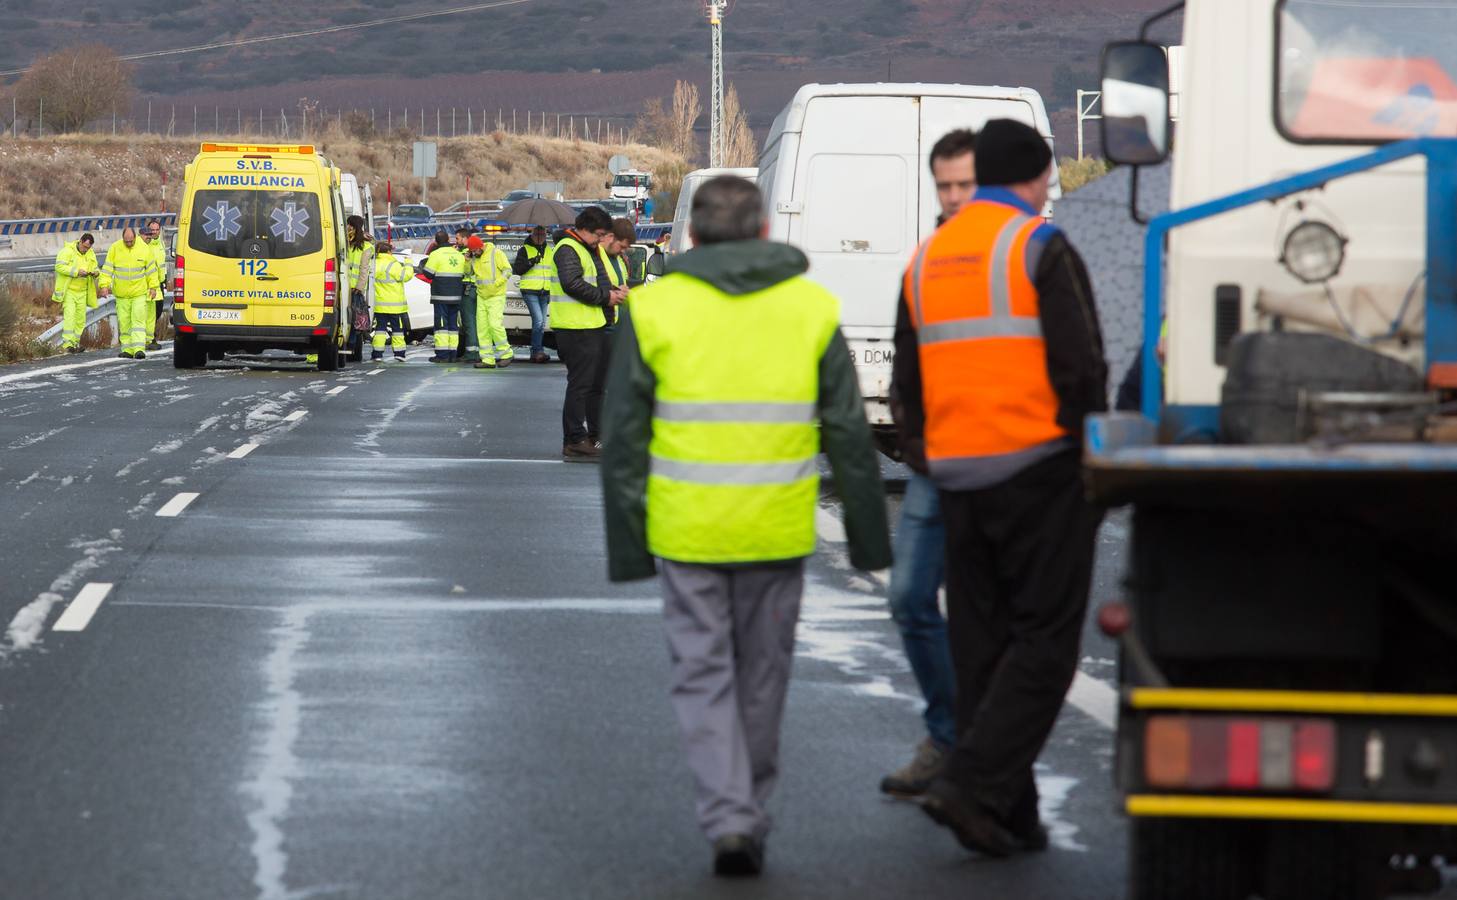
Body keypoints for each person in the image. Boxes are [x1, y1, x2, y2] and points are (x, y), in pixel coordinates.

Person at [600, 175, 892, 877]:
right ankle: (750, 810)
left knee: (701, 677)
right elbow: (849, 430)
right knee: (763, 677)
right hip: (775, 529)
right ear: (765, 231)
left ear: (691, 237)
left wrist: (628, 545)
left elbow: (622, 435)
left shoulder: (654, 307)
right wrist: (867, 538)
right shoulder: (810, 308)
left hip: (685, 531)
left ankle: (728, 816)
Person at [891, 119, 1107, 857]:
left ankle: (1010, 814)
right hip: (1037, 469)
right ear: (1037, 176)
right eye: (1047, 179)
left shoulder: (925, 259)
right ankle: (971, 784)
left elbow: (904, 385)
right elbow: (1081, 365)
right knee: (1045, 642)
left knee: (981, 647)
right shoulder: (1037, 245)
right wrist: (1088, 457)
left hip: (956, 479)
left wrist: (934, 456)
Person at [881, 127, 977, 798]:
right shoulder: (925, 259)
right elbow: (905, 359)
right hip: (933, 459)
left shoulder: (1029, 250)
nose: (949, 197)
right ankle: (949, 734)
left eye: (962, 184)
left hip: (1006, 458)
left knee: (987, 611)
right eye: (941, 185)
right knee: (911, 597)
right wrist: (912, 436)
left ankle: (977, 752)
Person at [550, 206, 625, 461]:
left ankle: (594, 436)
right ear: (585, 229)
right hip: (575, 327)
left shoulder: (586, 248)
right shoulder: (568, 248)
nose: (602, 240)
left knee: (595, 385)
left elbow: (595, 281)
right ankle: (574, 439)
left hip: (591, 325)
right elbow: (572, 284)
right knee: (581, 386)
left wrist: (613, 292)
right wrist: (607, 297)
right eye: (600, 234)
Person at [98, 227, 160, 359]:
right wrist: (104, 285)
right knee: (124, 322)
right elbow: (108, 269)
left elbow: (151, 270)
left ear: (135, 238)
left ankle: (139, 349)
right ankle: (127, 349)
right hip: (121, 294)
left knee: (138, 321)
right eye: (126, 241)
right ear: (123, 239)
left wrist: (153, 287)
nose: (129, 244)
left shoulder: (144, 248)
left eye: (131, 241)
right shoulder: (115, 248)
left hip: (139, 293)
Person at [417, 229, 469, 363]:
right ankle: (453, 354)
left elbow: (428, 273)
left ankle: (442, 355)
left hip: (441, 295)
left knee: (441, 327)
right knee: (453, 326)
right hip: (456, 295)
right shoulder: (458, 254)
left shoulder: (436, 254)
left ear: (436, 241)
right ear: (448, 240)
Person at [466, 234, 514, 369]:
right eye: (472, 251)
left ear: (480, 246)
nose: (474, 253)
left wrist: (497, 283)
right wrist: (467, 261)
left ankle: (506, 354)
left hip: (496, 295)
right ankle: (487, 359)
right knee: (482, 329)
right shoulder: (474, 257)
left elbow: (508, 270)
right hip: (482, 296)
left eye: (475, 250)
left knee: (494, 325)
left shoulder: (496, 253)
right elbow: (468, 273)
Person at [512, 224, 555, 364]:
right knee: (539, 321)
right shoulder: (525, 250)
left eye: (543, 235)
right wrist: (531, 262)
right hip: (530, 291)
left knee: (541, 324)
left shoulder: (549, 251)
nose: (540, 237)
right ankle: (537, 351)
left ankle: (537, 350)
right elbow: (517, 269)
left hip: (545, 291)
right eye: (537, 235)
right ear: (532, 235)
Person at [53, 233, 100, 354]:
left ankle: (75, 343)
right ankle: (68, 344)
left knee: (80, 319)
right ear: (80, 241)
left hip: (82, 291)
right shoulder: (68, 251)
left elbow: (96, 267)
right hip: (69, 290)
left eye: (88, 248)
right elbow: (59, 267)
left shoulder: (90, 253)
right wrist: (76, 272)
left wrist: (95, 273)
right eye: (84, 247)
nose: (86, 249)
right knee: (70, 317)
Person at [371, 241, 414, 361]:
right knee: (397, 331)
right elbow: (405, 276)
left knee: (379, 330)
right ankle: (399, 354)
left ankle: (377, 354)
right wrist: (408, 263)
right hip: (395, 305)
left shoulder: (374, 264)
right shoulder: (393, 264)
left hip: (379, 305)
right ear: (389, 252)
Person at [345, 215, 374, 360]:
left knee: (354, 320)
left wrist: (359, 287)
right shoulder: (347, 242)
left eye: (349, 225)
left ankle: (351, 347)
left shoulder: (364, 246)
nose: (347, 227)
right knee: (353, 320)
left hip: (351, 289)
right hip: (350, 288)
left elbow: (364, 269)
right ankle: (351, 348)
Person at [601, 217, 635, 333]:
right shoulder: (596, 256)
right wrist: (615, 292)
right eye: (621, 246)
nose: (623, 251)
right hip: (603, 324)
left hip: (616, 324)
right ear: (611, 237)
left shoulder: (618, 258)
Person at [455, 228, 483, 363]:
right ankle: (478, 351)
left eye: (458, 238)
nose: (457, 241)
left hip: (468, 289)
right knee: (477, 322)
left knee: (469, 322)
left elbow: (466, 272)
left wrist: (463, 260)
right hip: (479, 289)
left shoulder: (467, 253)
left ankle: (471, 353)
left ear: (465, 238)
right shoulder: (479, 251)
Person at [142, 218, 167, 351]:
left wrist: (165, 280)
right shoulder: (146, 245)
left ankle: (150, 336)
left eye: (157, 230)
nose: (155, 232)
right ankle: (149, 338)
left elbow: (162, 265)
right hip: (149, 284)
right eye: (152, 230)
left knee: (157, 311)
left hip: (160, 283)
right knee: (150, 313)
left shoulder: (160, 243)